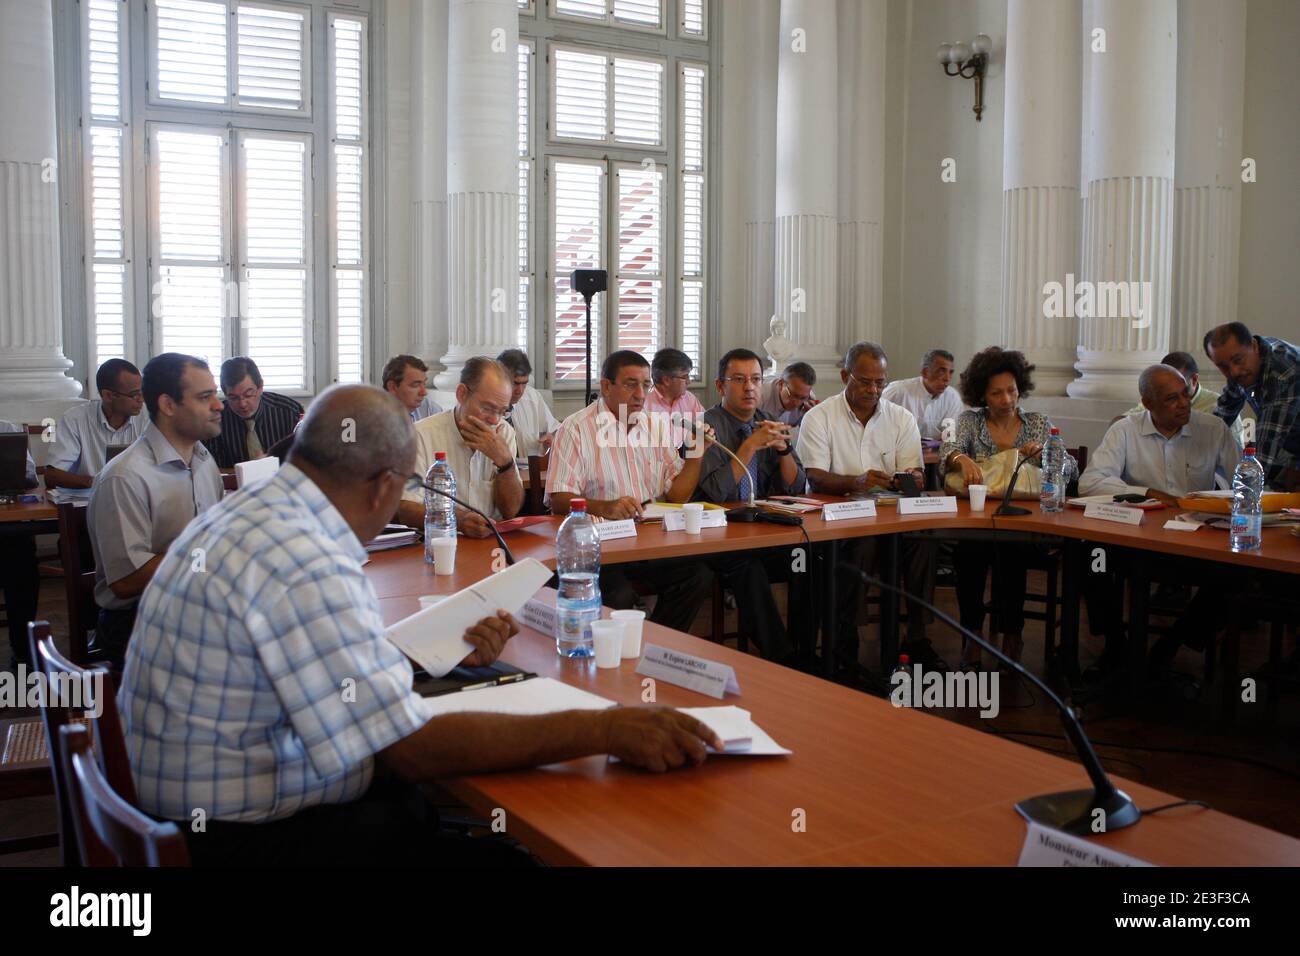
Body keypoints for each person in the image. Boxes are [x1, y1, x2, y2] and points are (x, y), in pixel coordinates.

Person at [119, 383, 723, 867]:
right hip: (241, 839)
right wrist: (606, 728)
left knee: (420, 813)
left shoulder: (259, 510)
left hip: (190, 811)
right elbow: (405, 749)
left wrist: (422, 658)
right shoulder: (303, 558)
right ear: (385, 485)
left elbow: (308, 664)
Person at [1079, 364, 1242, 677]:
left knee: (1235, 574)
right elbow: (1091, 482)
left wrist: (1213, 500)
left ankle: (1173, 645)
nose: (1183, 404)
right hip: (1138, 539)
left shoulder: (1213, 429)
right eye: (1171, 399)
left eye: (1185, 394)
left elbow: (1242, 484)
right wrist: (1146, 492)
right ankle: (1115, 642)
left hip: (1196, 541)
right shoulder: (1125, 430)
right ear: (1148, 402)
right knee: (1090, 556)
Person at [796, 342, 942, 673]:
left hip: (890, 516)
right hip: (838, 517)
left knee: (925, 541)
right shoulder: (819, 417)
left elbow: (913, 470)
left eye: (880, 382)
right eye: (865, 381)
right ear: (845, 375)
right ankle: (845, 641)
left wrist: (913, 480)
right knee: (860, 546)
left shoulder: (900, 418)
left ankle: (916, 637)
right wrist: (856, 482)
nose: (873, 389)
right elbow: (815, 477)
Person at [546, 350, 716, 633]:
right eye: (630, 384)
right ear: (605, 386)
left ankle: (655, 648)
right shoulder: (575, 429)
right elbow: (558, 500)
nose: (640, 394)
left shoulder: (655, 426)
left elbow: (676, 496)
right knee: (619, 595)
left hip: (648, 540)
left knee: (698, 575)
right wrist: (604, 507)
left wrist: (696, 454)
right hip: (601, 547)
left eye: (646, 385)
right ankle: (618, 658)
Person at [939, 347, 1077, 670]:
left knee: (1010, 550)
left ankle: (1012, 633)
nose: (1006, 399)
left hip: (1026, 525)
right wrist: (961, 458)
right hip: (977, 523)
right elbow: (948, 448)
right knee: (969, 554)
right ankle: (972, 633)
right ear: (982, 394)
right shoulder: (969, 422)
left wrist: (1047, 454)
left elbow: (1070, 470)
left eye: (1011, 390)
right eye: (996, 392)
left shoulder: (1037, 423)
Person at [87, 353, 224, 668]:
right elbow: (125, 583)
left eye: (214, 394)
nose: (218, 405)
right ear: (168, 405)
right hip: (140, 620)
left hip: (195, 604)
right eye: (205, 397)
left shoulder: (203, 459)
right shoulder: (124, 476)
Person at [694, 348, 805, 663]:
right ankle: (782, 659)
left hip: (764, 532)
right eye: (739, 380)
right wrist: (748, 447)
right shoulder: (705, 426)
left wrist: (783, 450)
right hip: (717, 537)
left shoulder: (768, 422)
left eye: (756, 379)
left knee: (809, 559)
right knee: (748, 566)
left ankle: (809, 649)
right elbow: (714, 492)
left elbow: (796, 486)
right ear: (720, 386)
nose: (750, 388)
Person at [396, 357, 523, 537]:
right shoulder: (419, 435)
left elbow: (511, 511)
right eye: (488, 408)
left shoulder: (504, 433)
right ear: (462, 394)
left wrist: (505, 464)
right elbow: (405, 508)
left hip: (491, 544)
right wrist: (458, 520)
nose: (494, 420)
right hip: (436, 544)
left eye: (502, 411)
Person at [1203, 323, 1300, 487]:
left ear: (1254, 346)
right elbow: (1221, 418)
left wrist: (1240, 497)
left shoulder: (1283, 373)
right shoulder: (1244, 364)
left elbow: (1265, 449)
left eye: (1237, 360)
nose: (1233, 371)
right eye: (1223, 366)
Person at [44, 358, 145, 489]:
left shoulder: (147, 419)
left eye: (142, 392)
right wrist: (97, 483)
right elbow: (52, 475)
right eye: (134, 395)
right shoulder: (75, 419)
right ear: (108, 396)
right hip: (87, 504)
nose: (141, 399)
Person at [1123, 350, 1243, 446]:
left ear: (1194, 380)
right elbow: (1122, 421)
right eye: (1171, 397)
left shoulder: (1223, 408)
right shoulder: (1158, 401)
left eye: (1183, 391)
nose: (1183, 404)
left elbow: (1236, 464)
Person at [203, 357, 304, 469]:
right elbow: (214, 471)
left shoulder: (289, 411)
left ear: (260, 387)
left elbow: (306, 459)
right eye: (233, 397)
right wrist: (249, 470)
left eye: (248, 395)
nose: (242, 404)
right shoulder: (215, 420)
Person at [0, 420, 39, 670]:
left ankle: (23, 652)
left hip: (7, 520)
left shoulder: (8, 429)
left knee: (20, 554)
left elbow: (31, 477)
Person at [881, 349, 966, 442]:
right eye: (942, 371)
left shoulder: (953, 398)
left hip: (936, 453)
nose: (947, 378)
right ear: (925, 372)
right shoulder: (897, 391)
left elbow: (949, 438)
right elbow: (875, 423)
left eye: (950, 372)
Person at [497, 347, 559, 459]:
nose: (520, 391)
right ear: (499, 379)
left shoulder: (532, 397)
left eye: (524, 383)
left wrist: (551, 438)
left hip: (529, 472)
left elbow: (555, 430)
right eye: (515, 383)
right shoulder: (486, 404)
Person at [644, 347, 706, 448]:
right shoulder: (644, 405)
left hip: (689, 459)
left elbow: (704, 427)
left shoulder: (690, 399)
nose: (689, 381)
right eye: (684, 376)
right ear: (666, 380)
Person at [382, 354, 443, 423]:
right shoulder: (374, 418)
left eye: (424, 384)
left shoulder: (430, 410)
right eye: (416, 385)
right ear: (392, 387)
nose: (424, 392)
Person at [759, 361, 818, 428]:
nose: (797, 403)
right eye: (794, 395)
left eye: (802, 398)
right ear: (781, 384)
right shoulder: (760, 396)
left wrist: (812, 417)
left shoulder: (809, 401)